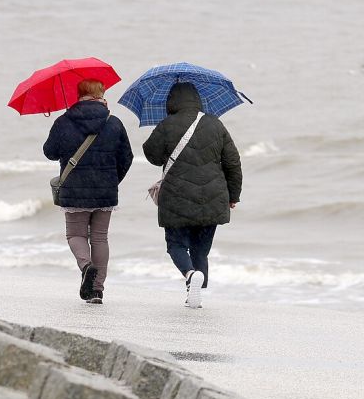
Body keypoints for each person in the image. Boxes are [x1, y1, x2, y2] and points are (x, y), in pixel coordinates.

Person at [142, 82, 242, 309]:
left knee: (176, 244)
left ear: (171, 101)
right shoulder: (215, 124)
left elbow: (152, 155)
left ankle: (189, 275)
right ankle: (196, 294)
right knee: (201, 249)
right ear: (198, 99)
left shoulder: (166, 124)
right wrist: (233, 195)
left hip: (176, 196)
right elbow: (233, 163)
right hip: (212, 196)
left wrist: (163, 129)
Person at [44, 79, 133, 304]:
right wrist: (113, 179)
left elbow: (50, 152)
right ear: (101, 94)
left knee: (75, 235)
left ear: (78, 94)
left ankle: (86, 267)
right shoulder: (113, 122)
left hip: (74, 188)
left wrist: (63, 126)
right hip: (105, 190)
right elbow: (127, 157)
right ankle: (97, 291)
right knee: (100, 238)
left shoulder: (64, 121)